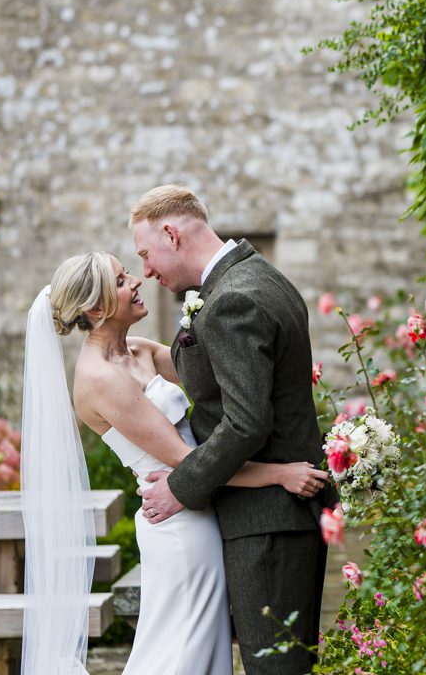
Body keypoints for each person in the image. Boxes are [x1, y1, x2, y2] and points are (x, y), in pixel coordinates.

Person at [20, 251, 328, 675]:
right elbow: (188, 459)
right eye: (122, 279)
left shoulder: (140, 351)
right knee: (180, 654)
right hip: (179, 526)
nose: (137, 281)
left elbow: (222, 380)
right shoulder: (101, 380)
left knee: (198, 651)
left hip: (198, 505)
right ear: (96, 308)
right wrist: (281, 474)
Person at [130, 185, 332, 675]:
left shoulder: (232, 301)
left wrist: (181, 487)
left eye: (145, 254)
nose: (147, 271)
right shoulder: (257, 276)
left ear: (171, 235)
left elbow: (246, 422)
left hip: (266, 523)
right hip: (280, 517)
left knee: (275, 667)